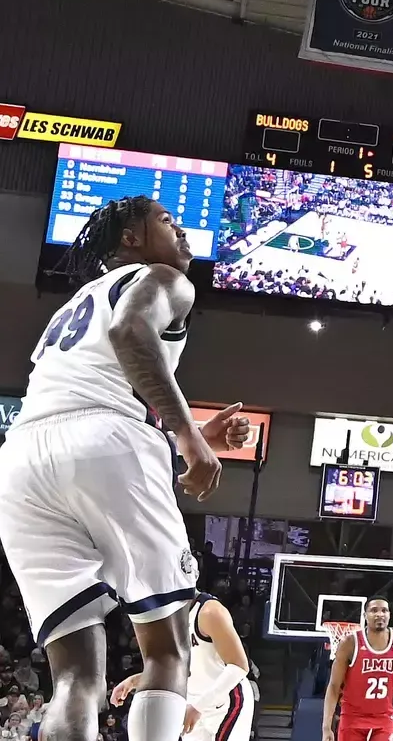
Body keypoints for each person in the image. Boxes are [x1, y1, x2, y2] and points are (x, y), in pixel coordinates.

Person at [0, 197, 250, 741]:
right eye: (167, 221)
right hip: (105, 440)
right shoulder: (163, 278)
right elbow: (129, 334)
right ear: (132, 239)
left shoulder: (71, 307)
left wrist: (184, 434)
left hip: (21, 459)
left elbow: (86, 401)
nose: (182, 232)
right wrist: (188, 437)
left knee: (74, 675)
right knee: (166, 645)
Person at [112, 592, 256, 741]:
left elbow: (239, 666)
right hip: (191, 701)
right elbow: (181, 668)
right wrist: (134, 681)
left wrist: (199, 707)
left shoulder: (209, 612)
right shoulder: (166, 616)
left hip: (227, 701)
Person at [323, 598, 393, 741]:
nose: (380, 614)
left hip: (383, 720)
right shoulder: (350, 643)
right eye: (374, 610)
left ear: (389, 615)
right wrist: (326, 727)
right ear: (364, 616)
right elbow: (334, 687)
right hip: (352, 719)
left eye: (384, 610)